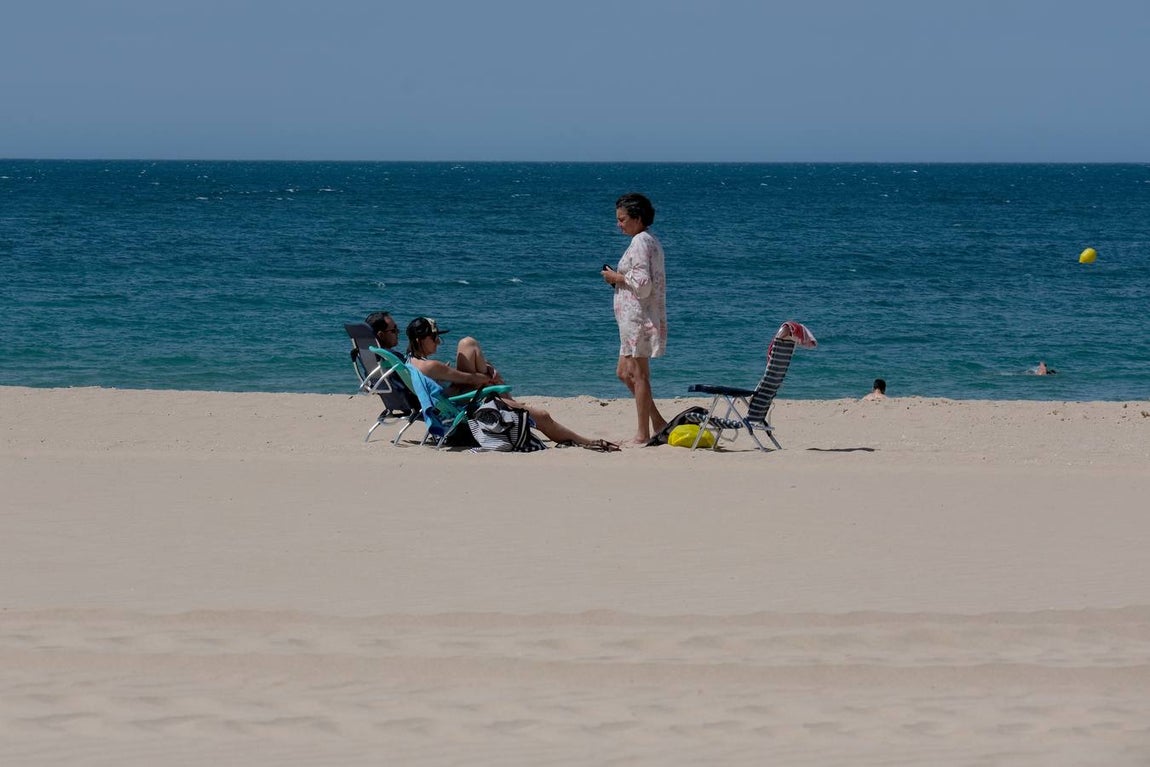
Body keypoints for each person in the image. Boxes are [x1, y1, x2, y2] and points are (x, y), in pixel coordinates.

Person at [404, 316, 617, 450]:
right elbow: (471, 379)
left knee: (467, 344)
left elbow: (449, 388)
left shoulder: (412, 363)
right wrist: (489, 376)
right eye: (434, 338)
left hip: (455, 406)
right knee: (542, 416)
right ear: (419, 340)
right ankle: (585, 441)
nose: (438, 342)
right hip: (462, 419)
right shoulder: (430, 366)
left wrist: (467, 375)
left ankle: (507, 399)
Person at [601, 192, 668, 445]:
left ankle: (642, 434)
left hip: (638, 319)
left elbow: (642, 283)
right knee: (623, 373)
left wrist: (616, 278)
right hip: (631, 321)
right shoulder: (648, 241)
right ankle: (659, 422)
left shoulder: (641, 242)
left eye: (622, 219)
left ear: (637, 218)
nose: (619, 224)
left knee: (639, 376)